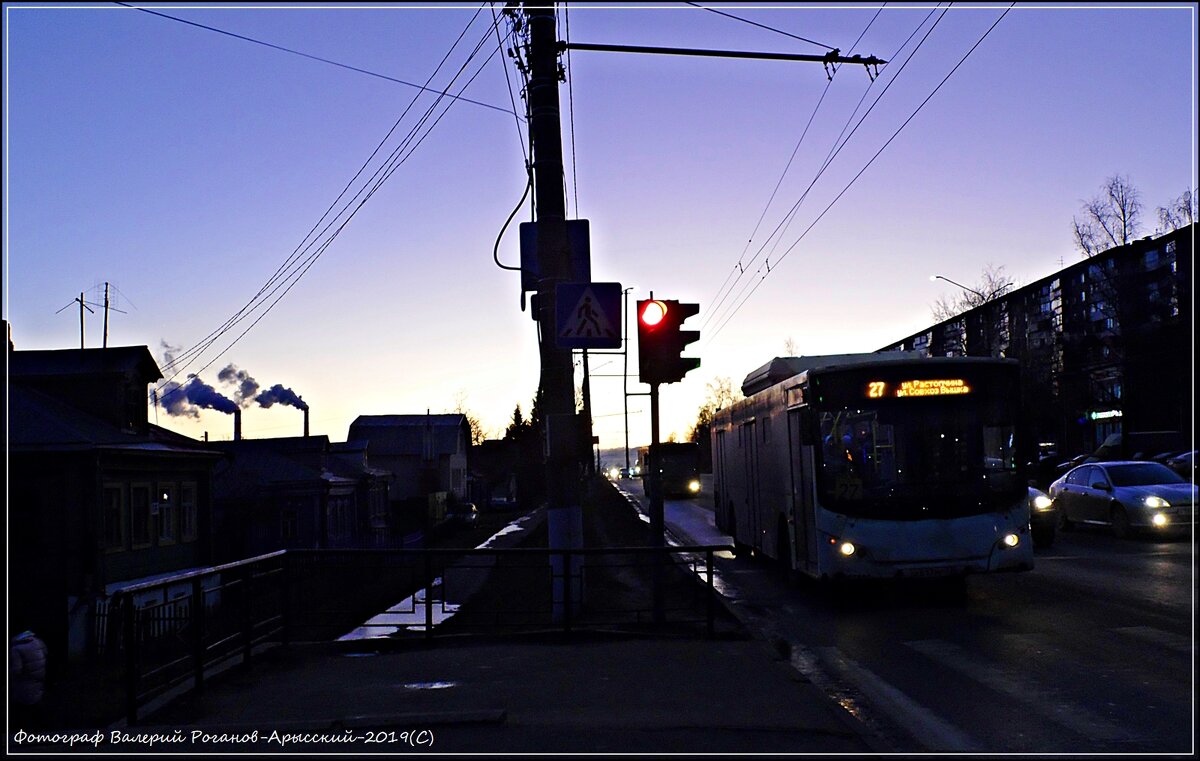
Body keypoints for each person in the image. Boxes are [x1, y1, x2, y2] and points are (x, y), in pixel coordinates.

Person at [10, 629, 47, 729]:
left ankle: (25, 728)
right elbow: (45, 654)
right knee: (36, 700)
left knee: (25, 704)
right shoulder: (38, 641)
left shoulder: (16, 649)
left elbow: (17, 669)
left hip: (25, 680)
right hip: (38, 677)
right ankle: (41, 726)